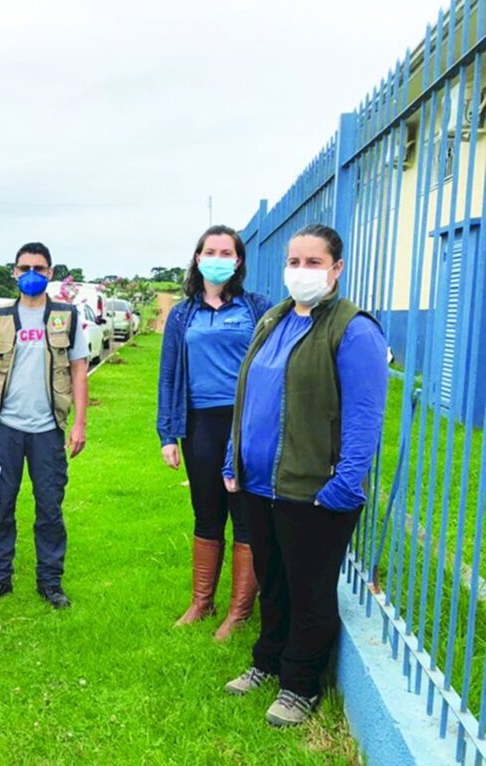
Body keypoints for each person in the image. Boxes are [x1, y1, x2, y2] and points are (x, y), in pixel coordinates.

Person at [222, 223, 387, 726]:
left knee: (309, 591)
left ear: (336, 270)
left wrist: (342, 484)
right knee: (272, 583)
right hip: (259, 485)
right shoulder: (272, 320)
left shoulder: (354, 329)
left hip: (313, 490)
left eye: (314, 263)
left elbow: (366, 415)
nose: (301, 271)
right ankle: (268, 661)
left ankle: (301, 685)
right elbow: (247, 396)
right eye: (294, 261)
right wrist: (234, 458)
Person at [156, 225, 272, 640]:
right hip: (200, 424)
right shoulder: (184, 314)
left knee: (245, 515)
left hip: (246, 424)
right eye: (211, 250)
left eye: (227, 251)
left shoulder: (257, 308)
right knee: (207, 512)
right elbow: (168, 373)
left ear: (238, 260)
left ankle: (239, 612)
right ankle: (202, 602)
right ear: (198, 257)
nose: (218, 257)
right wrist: (167, 434)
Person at [0, 242, 89, 609]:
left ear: (51, 273)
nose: (32, 275)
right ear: (14, 272)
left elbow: (79, 370)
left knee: (50, 508)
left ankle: (50, 583)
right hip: (6, 428)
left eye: (39, 268)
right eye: (25, 268)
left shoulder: (66, 317)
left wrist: (79, 424)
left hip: (47, 430)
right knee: (1, 506)